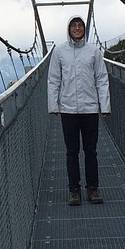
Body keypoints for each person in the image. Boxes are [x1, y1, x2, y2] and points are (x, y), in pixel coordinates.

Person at [47, 15, 110, 205]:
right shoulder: (59, 51)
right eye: (73, 26)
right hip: (68, 110)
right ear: (68, 29)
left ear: (84, 29)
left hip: (90, 108)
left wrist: (104, 105)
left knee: (91, 151)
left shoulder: (94, 51)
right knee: (71, 151)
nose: (77, 28)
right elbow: (53, 80)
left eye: (80, 25)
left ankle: (93, 188)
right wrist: (53, 106)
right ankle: (74, 190)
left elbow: (102, 78)